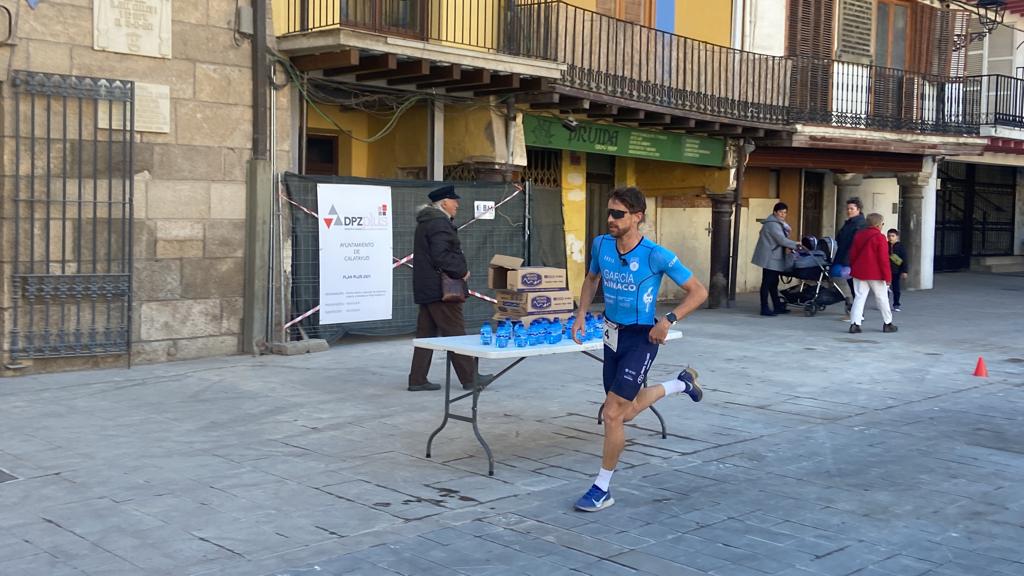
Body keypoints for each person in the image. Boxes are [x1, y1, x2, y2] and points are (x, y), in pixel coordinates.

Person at [570, 187, 708, 512]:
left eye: (618, 214)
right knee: (625, 411)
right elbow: (592, 279)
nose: (610, 219)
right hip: (612, 335)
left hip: (642, 339)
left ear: (637, 217)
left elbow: (698, 291)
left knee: (613, 413)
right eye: (609, 212)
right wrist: (580, 314)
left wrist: (669, 319)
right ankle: (680, 383)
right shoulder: (601, 245)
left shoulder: (656, 255)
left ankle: (601, 487)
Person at [408, 185, 493, 391]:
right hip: (441, 290)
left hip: (428, 287)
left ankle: (417, 379)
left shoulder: (427, 222)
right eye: (454, 201)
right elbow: (442, 255)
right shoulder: (439, 223)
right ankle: (470, 378)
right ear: (444, 202)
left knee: (425, 336)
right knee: (456, 333)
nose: (457, 205)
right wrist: (461, 272)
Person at [751, 202, 803, 316]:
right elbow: (781, 240)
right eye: (780, 212)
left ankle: (777, 306)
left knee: (773, 283)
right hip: (770, 257)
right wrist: (796, 244)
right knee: (767, 282)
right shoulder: (773, 224)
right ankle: (764, 308)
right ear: (775, 212)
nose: (783, 214)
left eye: (785, 212)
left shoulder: (778, 223)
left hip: (773, 256)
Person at [848, 213, 897, 333]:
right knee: (882, 298)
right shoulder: (880, 238)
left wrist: (854, 267)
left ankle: (855, 324)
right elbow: (883, 260)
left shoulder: (859, 235)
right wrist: (888, 277)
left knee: (859, 297)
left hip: (859, 272)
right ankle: (887, 323)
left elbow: (852, 254)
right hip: (876, 274)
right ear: (879, 224)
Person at [835, 196, 867, 310]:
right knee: (853, 285)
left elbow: (856, 244)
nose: (849, 211)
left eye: (852, 209)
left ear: (858, 209)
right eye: (848, 208)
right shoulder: (849, 223)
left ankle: (858, 312)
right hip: (846, 257)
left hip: (853, 259)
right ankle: (856, 311)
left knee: (856, 287)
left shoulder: (860, 224)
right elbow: (839, 237)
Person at [888, 228, 908, 312]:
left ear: (897, 237)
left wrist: (904, 271)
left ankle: (896, 304)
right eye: (889, 236)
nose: (890, 238)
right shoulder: (886, 245)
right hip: (887, 270)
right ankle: (884, 304)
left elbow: (904, 259)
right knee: (885, 288)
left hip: (896, 270)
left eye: (893, 236)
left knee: (896, 288)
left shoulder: (900, 247)